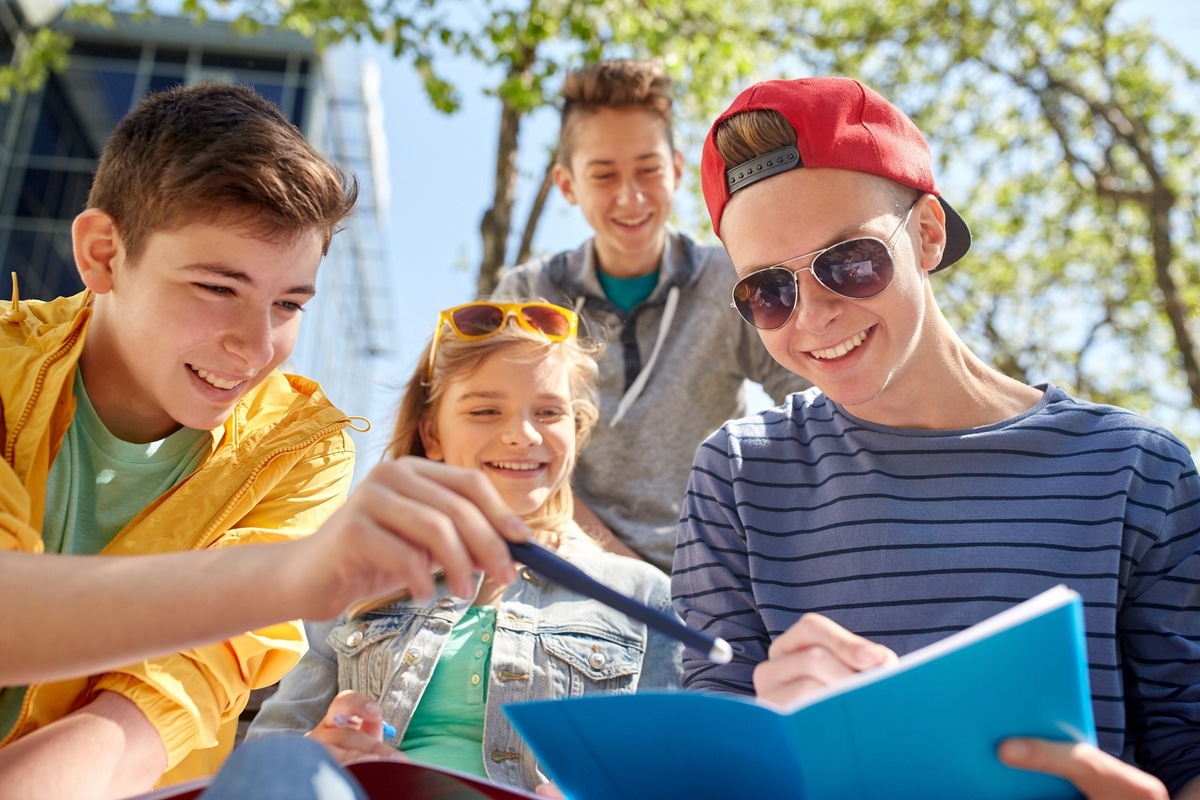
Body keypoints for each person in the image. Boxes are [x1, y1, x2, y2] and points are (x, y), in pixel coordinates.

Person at [0, 82, 536, 799]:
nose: (256, 347)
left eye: (288, 304)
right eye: (218, 288)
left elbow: (174, 691)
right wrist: (300, 574)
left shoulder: (300, 450)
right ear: (103, 254)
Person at [672, 76, 1200, 798]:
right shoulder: (736, 474)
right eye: (769, 290)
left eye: (851, 261)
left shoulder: (1137, 469)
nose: (814, 316)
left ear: (925, 235)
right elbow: (706, 760)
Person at [245, 301, 682, 793]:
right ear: (431, 433)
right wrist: (316, 754)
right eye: (485, 410)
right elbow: (269, 755)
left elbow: (674, 775)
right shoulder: (360, 578)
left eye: (548, 412)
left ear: (576, 432)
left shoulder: (645, 598)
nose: (522, 434)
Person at [492, 59, 807, 572]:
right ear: (568, 185)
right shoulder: (529, 294)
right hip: (566, 563)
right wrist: (626, 571)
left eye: (648, 170)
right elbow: (500, 452)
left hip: (717, 567)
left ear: (677, 171)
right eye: (603, 175)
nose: (631, 196)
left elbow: (812, 398)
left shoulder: (731, 279)